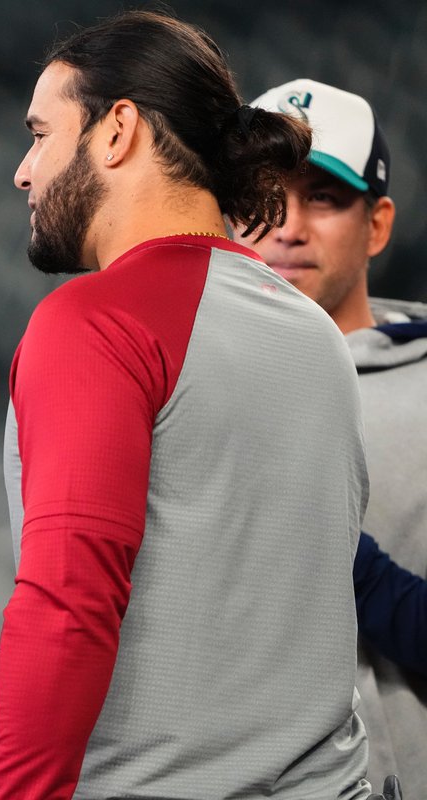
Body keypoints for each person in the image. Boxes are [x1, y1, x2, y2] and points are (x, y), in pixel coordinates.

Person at [0, 10, 378, 799]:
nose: (23, 171)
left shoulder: (98, 320)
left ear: (117, 129)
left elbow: (70, 609)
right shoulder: (315, 333)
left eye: (40, 133)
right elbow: (232, 618)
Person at [236, 77, 427, 795]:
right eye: (261, 195)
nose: (287, 226)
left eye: (322, 197)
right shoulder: (175, 394)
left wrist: (342, 562)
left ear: (377, 224)